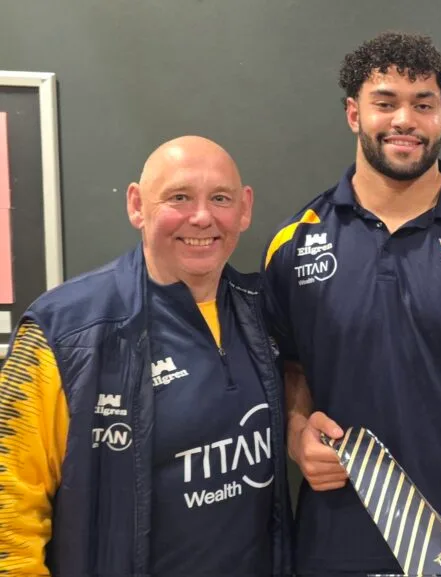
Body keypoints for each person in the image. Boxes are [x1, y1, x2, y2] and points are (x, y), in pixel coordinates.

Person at [261, 31, 441, 576]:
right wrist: (299, 434)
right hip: (335, 539)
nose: (405, 120)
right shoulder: (293, 243)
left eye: (423, 105)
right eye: (385, 102)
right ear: (354, 113)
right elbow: (289, 371)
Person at [0, 136, 293, 576]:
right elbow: (9, 509)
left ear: (244, 208)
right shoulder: (61, 331)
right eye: (179, 197)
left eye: (220, 198)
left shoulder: (263, 310)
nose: (202, 216)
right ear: (137, 205)